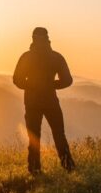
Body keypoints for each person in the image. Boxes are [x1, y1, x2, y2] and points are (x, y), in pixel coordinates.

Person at [12, 27, 75, 174]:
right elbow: (67, 80)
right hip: (51, 101)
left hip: (32, 102)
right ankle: (68, 166)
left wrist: (31, 85)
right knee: (59, 134)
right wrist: (51, 84)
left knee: (34, 137)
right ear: (48, 38)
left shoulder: (26, 57)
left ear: (33, 38)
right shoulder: (56, 57)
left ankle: (35, 169)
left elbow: (17, 80)